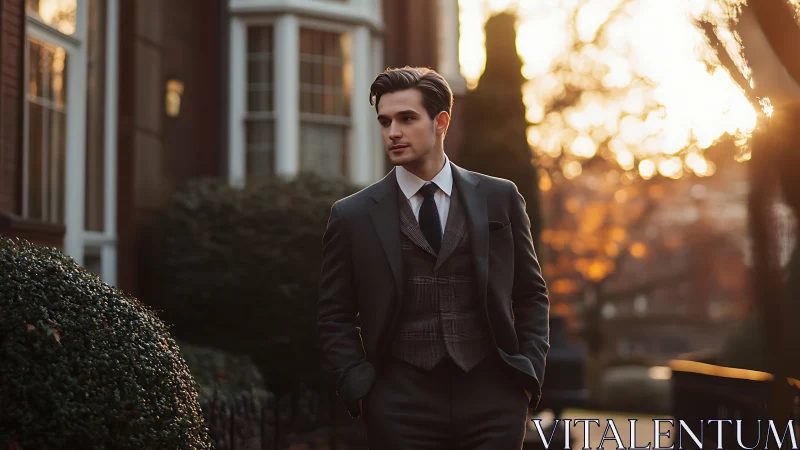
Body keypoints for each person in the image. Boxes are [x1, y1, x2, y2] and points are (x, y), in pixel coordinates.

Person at [317, 66, 550, 449]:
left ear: (440, 121)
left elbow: (530, 294)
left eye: (407, 119)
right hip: (399, 403)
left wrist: (527, 375)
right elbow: (334, 315)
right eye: (385, 121)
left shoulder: (499, 197)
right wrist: (360, 387)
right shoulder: (353, 215)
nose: (393, 132)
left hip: (493, 395)